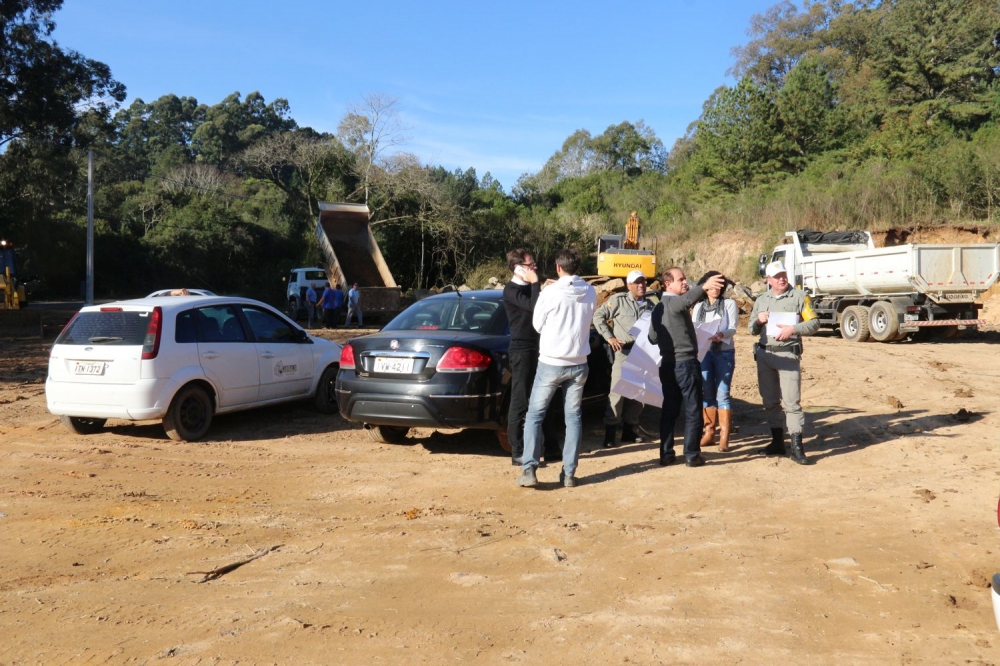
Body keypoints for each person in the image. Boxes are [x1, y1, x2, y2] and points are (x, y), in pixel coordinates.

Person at [517, 249, 597, 489]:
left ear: (558, 267)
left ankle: (529, 470)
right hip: (579, 361)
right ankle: (569, 473)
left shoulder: (550, 293)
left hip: (552, 361)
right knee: (573, 418)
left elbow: (538, 325)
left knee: (534, 415)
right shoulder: (591, 290)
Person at [647, 267, 726, 468]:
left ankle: (666, 454)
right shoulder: (674, 303)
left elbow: (652, 337)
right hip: (685, 363)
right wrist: (704, 286)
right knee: (692, 409)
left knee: (669, 411)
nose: (685, 282)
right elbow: (686, 301)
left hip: (667, 364)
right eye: (680, 279)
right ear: (668, 284)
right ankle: (691, 454)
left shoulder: (657, 309)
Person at [749, 261, 820, 465]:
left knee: (791, 403)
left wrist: (793, 330)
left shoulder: (799, 297)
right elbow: (751, 330)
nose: (782, 278)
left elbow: (814, 323)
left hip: (788, 355)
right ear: (768, 280)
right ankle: (777, 442)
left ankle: (797, 447)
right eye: (777, 276)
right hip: (765, 355)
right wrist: (758, 321)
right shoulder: (761, 300)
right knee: (770, 401)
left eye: (784, 274)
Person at [593, 269, 654, 448]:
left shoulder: (650, 305)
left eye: (643, 282)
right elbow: (598, 316)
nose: (642, 285)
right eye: (638, 283)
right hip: (624, 352)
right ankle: (610, 435)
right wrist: (610, 337)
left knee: (637, 395)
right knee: (617, 394)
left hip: (642, 354)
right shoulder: (618, 301)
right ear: (629, 286)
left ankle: (629, 431)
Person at [692, 270, 739, 452]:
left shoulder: (729, 304)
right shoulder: (698, 307)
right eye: (713, 285)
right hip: (704, 352)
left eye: (720, 285)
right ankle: (709, 432)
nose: (716, 289)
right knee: (707, 392)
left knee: (723, 392)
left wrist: (722, 334)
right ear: (705, 285)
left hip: (723, 352)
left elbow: (733, 328)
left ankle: (724, 437)